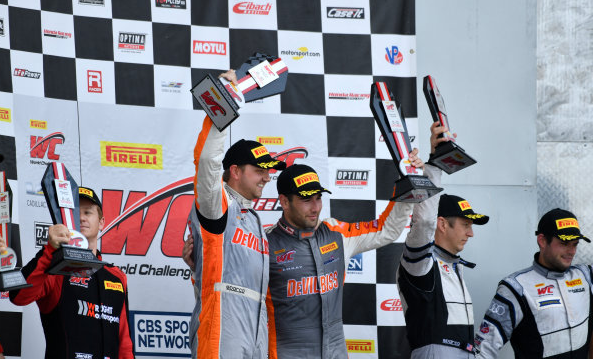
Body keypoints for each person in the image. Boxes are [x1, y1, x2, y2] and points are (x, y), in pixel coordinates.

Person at [265, 153, 421, 358]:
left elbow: (386, 229)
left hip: (336, 352)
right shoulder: (264, 244)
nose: (315, 208)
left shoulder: (336, 233)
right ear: (284, 202)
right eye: (306, 200)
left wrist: (407, 183)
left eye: (318, 198)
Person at [185, 68, 286, 359]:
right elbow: (207, 162)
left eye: (268, 172)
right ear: (235, 171)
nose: (267, 178)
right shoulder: (218, 204)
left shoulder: (255, 220)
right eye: (259, 171)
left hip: (255, 334)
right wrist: (226, 106)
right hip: (221, 330)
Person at [396, 122, 490, 358]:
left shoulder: (452, 264)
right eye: (465, 225)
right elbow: (425, 220)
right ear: (442, 224)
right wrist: (435, 164)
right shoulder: (422, 263)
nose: (471, 233)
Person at [10, 187, 134, 359]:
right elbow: (18, 296)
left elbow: (125, 341)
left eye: (88, 212)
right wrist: (49, 251)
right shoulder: (56, 269)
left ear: (102, 222)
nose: (81, 218)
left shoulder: (117, 277)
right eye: (75, 212)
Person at [474, 208, 592, 358]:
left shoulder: (586, 276)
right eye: (564, 243)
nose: (571, 251)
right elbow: (484, 348)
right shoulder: (515, 288)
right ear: (542, 241)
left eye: (575, 244)